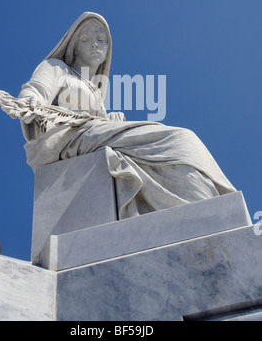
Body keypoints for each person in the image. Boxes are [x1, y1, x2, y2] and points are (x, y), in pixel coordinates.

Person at [18, 12, 236, 219]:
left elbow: (97, 124)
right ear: (74, 47)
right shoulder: (57, 67)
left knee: (182, 138)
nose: (94, 43)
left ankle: (201, 200)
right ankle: (196, 204)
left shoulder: (96, 92)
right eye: (85, 39)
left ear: (108, 49)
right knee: (179, 138)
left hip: (93, 135)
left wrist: (107, 121)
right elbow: (35, 91)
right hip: (69, 136)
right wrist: (31, 103)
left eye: (101, 39)